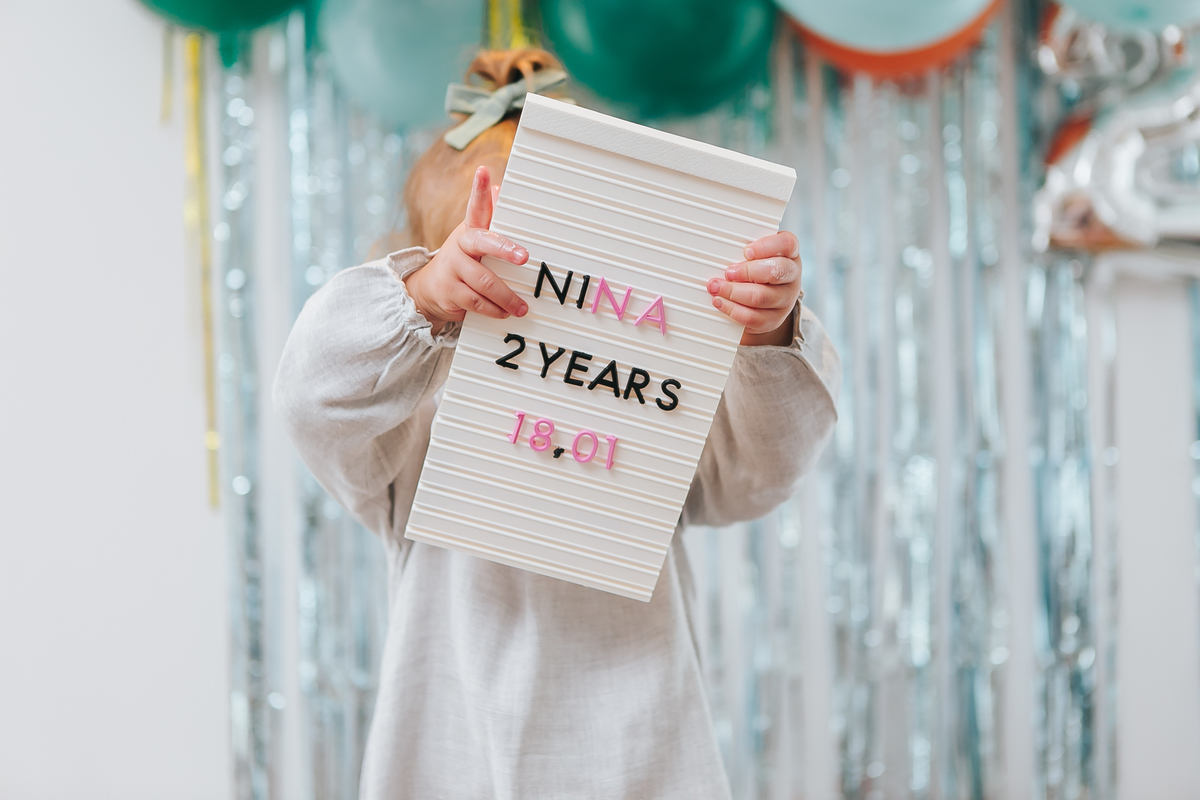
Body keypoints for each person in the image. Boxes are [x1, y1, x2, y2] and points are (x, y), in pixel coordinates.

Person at [274, 48, 840, 800]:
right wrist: (421, 300)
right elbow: (312, 396)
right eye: (482, 274)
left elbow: (761, 471)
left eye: (564, 274)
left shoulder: (656, 414)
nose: (533, 301)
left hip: (642, 757)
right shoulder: (406, 433)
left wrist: (763, 336)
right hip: (453, 756)